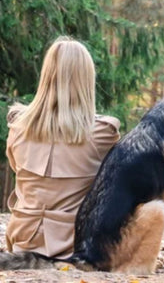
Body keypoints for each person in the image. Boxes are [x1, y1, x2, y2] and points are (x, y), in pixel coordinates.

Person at [4, 36, 120, 259]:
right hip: (74, 243)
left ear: (46, 76)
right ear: (86, 80)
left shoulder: (17, 128)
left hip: (23, 238)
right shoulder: (103, 132)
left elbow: (17, 169)